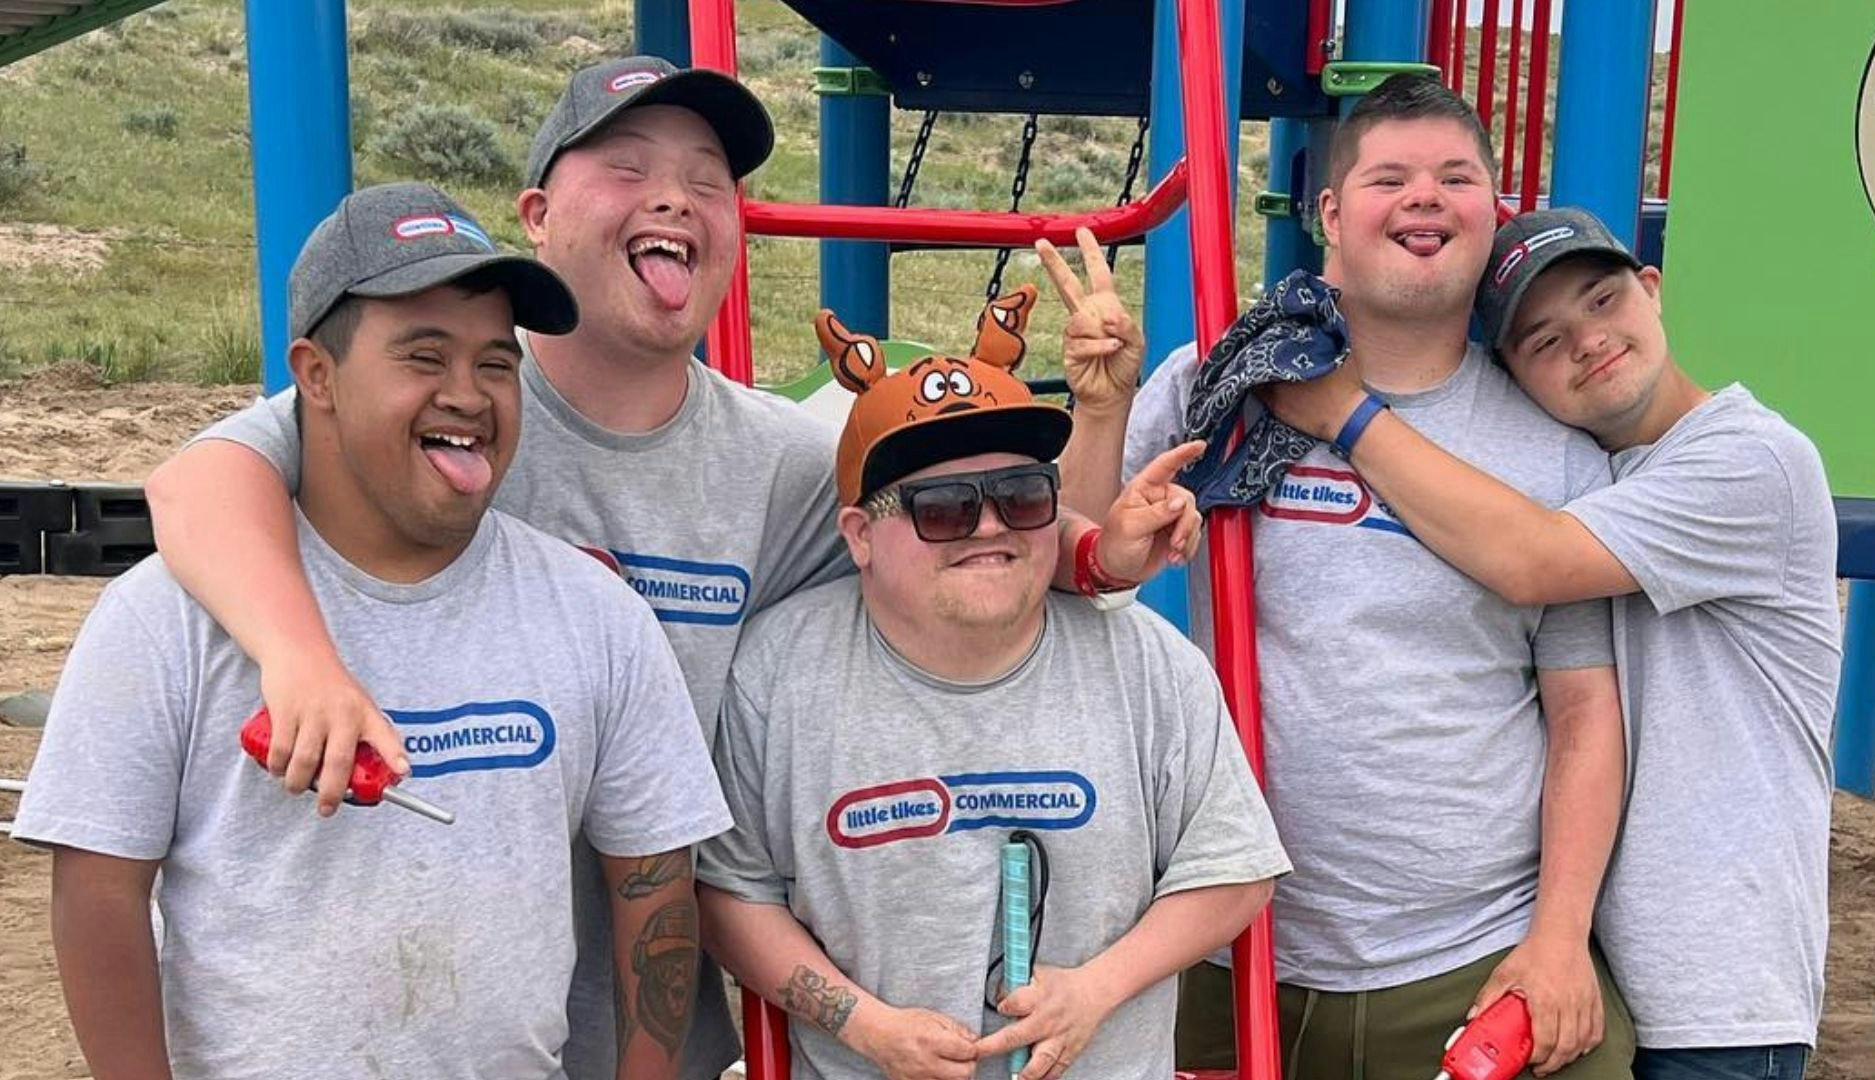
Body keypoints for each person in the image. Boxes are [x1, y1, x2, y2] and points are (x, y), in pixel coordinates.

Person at [141, 56, 1199, 1080]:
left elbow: (987, 548)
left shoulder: (781, 464)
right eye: (630, 169)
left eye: (709, 182)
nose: (677, 200)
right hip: (393, 1010)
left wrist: (1101, 487)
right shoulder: (451, 412)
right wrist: (298, 660)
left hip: (643, 1018)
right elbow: (197, 485)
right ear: (537, 214)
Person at [11, 182, 729, 1079]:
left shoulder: (596, 616)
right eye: (423, 357)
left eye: (495, 364)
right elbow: (99, 893)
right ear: (317, 376)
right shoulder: (166, 619)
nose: (466, 395)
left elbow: (654, 883)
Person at [1057, 73, 1637, 1077]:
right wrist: (1101, 413)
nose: (1424, 196)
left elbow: (1585, 715)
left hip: (1465, 957)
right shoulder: (1220, 381)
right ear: (1329, 213)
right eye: (1389, 178)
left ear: (1492, 215)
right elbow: (1065, 568)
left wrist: (1557, 938)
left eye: (1456, 177)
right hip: (1225, 937)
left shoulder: (1552, 450)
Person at [1257, 206, 1841, 1080]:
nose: (1587, 342)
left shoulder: (1749, 462)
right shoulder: (1602, 478)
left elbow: (1531, 559)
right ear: (1514, 381)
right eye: (1542, 340)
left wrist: (1345, 411)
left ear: (1651, 290)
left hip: (1714, 989)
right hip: (1603, 970)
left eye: (1604, 302)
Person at [696, 298, 1290, 1080]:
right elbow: (728, 892)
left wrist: (1094, 990)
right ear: (860, 536)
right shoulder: (777, 675)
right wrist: (864, 1023)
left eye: (1022, 496)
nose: (989, 527)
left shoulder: (1146, 659)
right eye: (942, 507)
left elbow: (1234, 867)